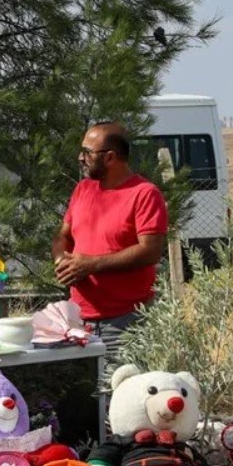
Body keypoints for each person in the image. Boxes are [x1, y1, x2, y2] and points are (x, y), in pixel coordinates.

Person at [52, 122, 168, 363]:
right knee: (85, 397)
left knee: (122, 395)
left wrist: (91, 265)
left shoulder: (144, 194)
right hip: (78, 319)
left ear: (110, 157)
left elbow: (151, 251)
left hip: (125, 321)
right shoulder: (84, 189)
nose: (80, 158)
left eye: (87, 152)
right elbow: (63, 235)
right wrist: (62, 259)